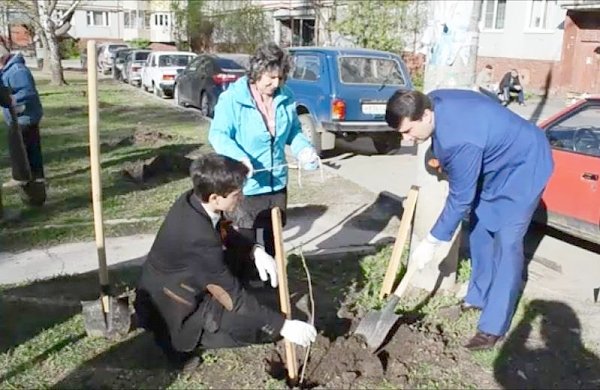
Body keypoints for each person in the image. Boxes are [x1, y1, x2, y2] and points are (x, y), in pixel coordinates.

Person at [385, 89, 553, 350]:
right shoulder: (431, 100)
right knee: (479, 230)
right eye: (401, 133)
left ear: (426, 115)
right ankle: (477, 297)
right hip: (493, 165)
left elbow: (459, 200)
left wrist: (431, 241)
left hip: (525, 167)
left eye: (409, 131)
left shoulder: (459, 142)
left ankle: (492, 328)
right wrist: (435, 157)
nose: (407, 139)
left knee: (508, 243)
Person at [134, 153, 317, 372]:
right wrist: (283, 326)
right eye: (236, 194)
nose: (240, 198)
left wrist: (255, 251)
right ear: (214, 198)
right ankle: (190, 339)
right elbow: (232, 297)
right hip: (176, 304)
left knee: (243, 268)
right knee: (257, 330)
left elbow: (224, 231)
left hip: (184, 279)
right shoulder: (198, 238)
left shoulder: (193, 200)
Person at [208, 42, 319, 262]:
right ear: (257, 72)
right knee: (243, 245)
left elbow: (294, 131)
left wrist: (304, 149)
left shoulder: (285, 96)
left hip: (276, 185)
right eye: (270, 77)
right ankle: (241, 290)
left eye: (280, 77)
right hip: (244, 188)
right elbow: (218, 135)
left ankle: (272, 288)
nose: (275, 83)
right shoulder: (233, 99)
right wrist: (239, 159)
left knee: (272, 242)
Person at [0, 43, 45, 188]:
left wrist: (12, 101)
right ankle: (36, 176)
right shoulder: (9, 70)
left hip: (24, 115)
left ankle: (21, 177)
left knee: (20, 148)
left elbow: (27, 92)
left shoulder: (17, 71)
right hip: (21, 116)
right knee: (31, 146)